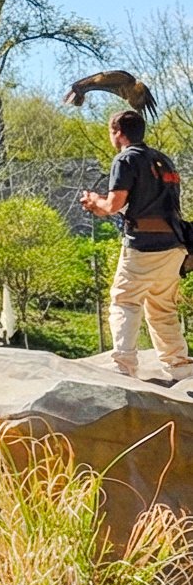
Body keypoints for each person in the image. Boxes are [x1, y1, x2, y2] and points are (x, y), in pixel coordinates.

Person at [82, 108, 192, 382]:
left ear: (117, 132)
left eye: (111, 132)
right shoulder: (162, 160)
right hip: (175, 245)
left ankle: (123, 366)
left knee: (125, 301)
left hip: (143, 245)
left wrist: (95, 203)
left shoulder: (126, 159)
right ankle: (179, 366)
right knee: (162, 307)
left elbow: (113, 204)